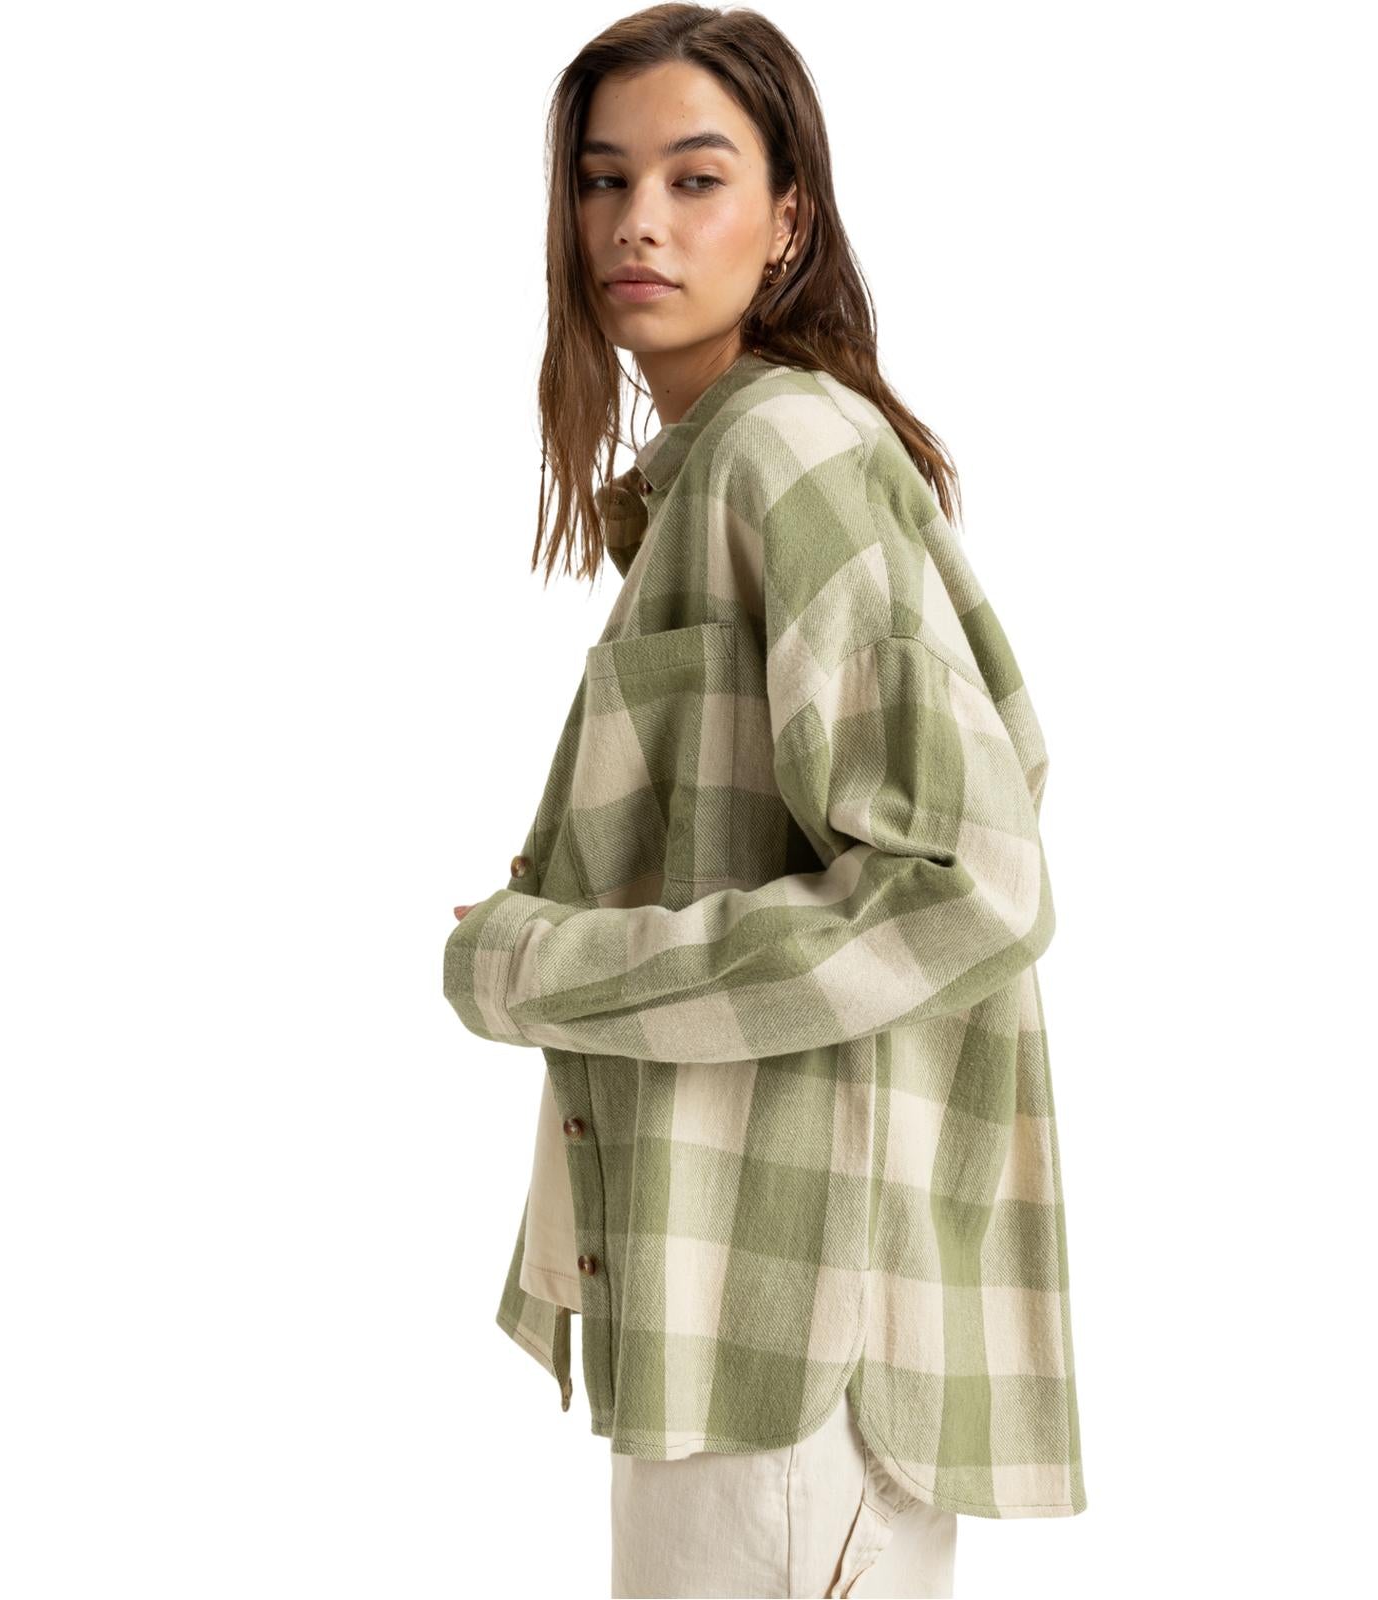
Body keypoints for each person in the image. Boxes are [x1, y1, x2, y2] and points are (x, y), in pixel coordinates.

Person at [446, 7, 1087, 1594]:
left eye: (695, 178)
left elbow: (971, 881)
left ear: (788, 218)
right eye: (603, 180)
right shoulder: (720, 475)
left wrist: (545, 965)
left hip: (789, 1348)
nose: (637, 224)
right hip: (741, 1331)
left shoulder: (785, 454)